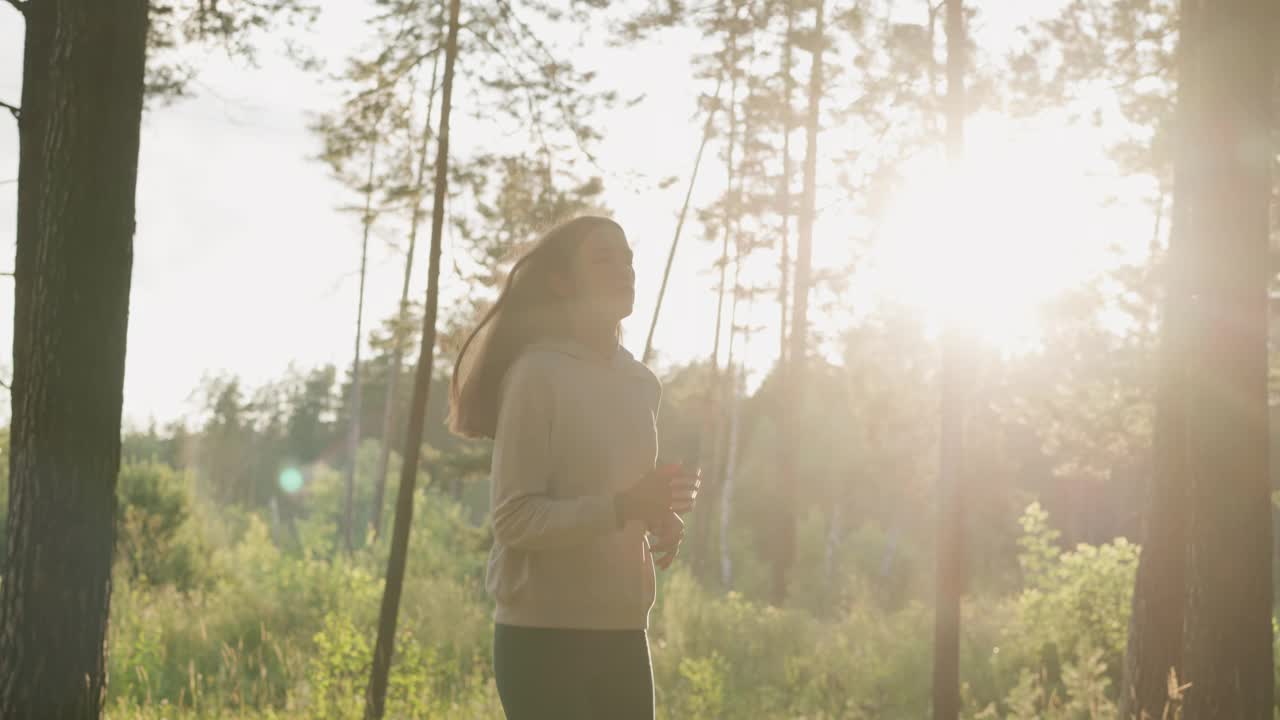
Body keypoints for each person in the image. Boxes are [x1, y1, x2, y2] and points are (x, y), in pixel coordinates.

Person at [447, 215, 701, 720]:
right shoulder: (536, 374)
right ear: (562, 282)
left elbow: (615, 497)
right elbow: (515, 519)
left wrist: (658, 515)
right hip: (543, 638)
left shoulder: (641, 383)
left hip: (625, 632)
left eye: (628, 258)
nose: (624, 268)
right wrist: (624, 505)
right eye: (603, 257)